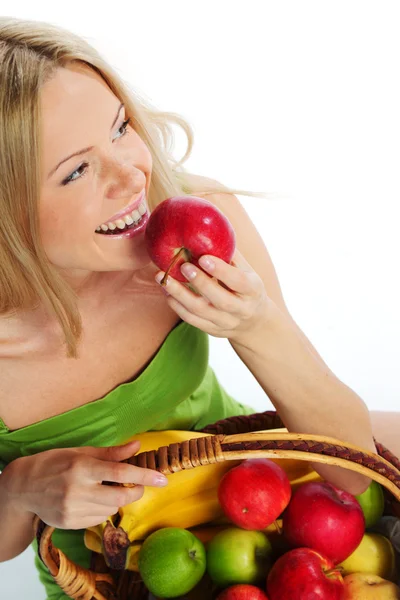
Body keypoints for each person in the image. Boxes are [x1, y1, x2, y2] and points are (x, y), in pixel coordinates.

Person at [0, 16, 398, 600]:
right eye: (77, 170)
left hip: (246, 470)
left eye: (119, 128)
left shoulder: (199, 219)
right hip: (117, 566)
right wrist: (18, 489)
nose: (131, 173)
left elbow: (348, 468)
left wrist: (259, 325)